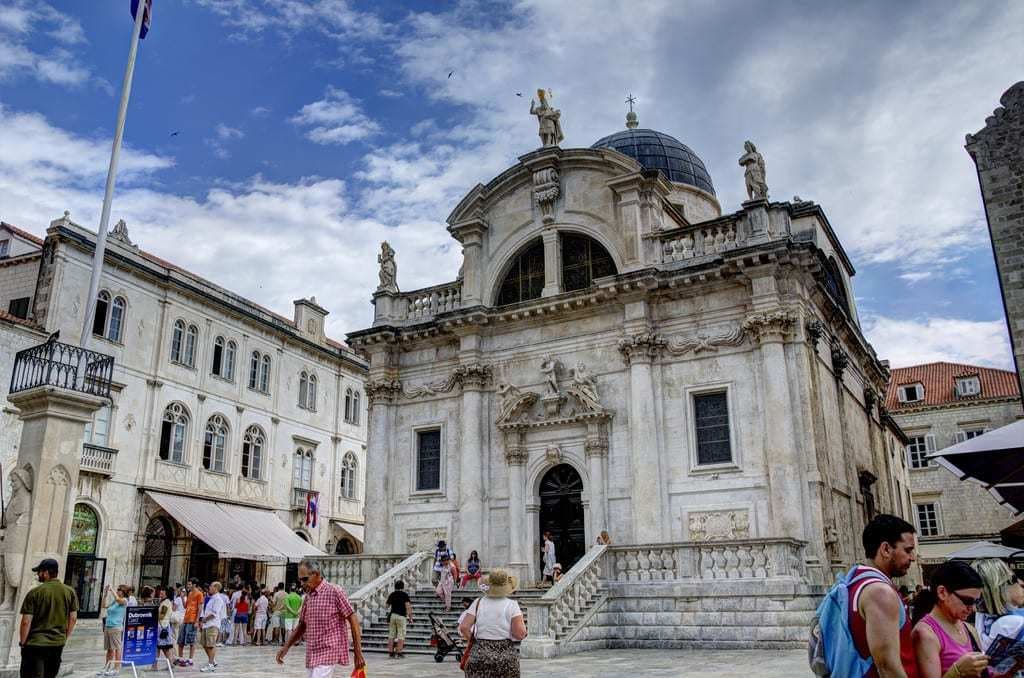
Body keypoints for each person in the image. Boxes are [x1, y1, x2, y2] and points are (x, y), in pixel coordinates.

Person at [849, 514, 921, 677]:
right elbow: (888, 667)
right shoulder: (880, 592)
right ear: (886, 549)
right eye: (908, 550)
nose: (913, 558)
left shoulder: (855, 581)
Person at [276, 558, 366, 677]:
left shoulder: (334, 591)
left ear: (316, 574)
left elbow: (352, 618)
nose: (302, 583)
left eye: (305, 579)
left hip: (329, 650)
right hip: (312, 652)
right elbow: (302, 625)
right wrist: (286, 647)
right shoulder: (308, 597)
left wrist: (357, 652)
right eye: (300, 580)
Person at [912, 561, 989, 678]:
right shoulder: (926, 634)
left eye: (977, 601)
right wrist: (957, 671)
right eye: (968, 601)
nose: (973, 608)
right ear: (942, 593)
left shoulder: (968, 628)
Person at [458, 569, 527, 677]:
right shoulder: (512, 605)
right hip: (505, 655)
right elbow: (520, 633)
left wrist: (474, 641)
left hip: (480, 653)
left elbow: (464, 627)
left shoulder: (478, 602)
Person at [19, 558, 78, 678]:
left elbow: (26, 621)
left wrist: (23, 643)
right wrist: (64, 637)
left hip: (36, 644)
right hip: (57, 644)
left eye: (39, 571)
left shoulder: (35, 593)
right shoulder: (70, 592)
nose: (37, 574)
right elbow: (73, 618)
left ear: (46, 573)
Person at [972, 557, 1024, 648]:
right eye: (1014, 579)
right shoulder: (1011, 624)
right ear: (1000, 588)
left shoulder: (983, 618)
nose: (1021, 582)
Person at [99, 583, 127, 676]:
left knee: (117, 648)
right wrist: (106, 594)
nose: (118, 591)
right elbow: (103, 606)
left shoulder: (124, 600)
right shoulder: (115, 601)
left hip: (116, 627)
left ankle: (116, 668)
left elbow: (119, 600)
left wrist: (112, 590)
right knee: (109, 649)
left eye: (120, 590)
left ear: (123, 592)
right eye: (117, 589)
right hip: (108, 626)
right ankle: (106, 666)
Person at [199, 582, 227, 673]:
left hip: (213, 624)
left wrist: (204, 619)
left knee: (211, 645)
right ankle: (212, 660)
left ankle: (210, 665)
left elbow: (214, 613)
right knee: (204, 644)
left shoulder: (218, 599)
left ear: (215, 588)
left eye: (211, 586)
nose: (209, 588)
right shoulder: (211, 598)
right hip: (207, 624)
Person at [176, 578, 204, 667]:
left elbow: (200, 608)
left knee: (192, 640)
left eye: (189, 584)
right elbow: (185, 606)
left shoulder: (199, 594)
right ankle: (180, 658)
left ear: (194, 585)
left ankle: (190, 659)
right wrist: (181, 597)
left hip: (192, 620)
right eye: (187, 584)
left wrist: (197, 621)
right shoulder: (190, 593)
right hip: (186, 619)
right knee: (180, 640)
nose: (188, 586)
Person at [385, 580, 412, 659]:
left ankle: (391, 652)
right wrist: (410, 617)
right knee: (401, 635)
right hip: (401, 616)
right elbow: (408, 606)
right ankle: (399, 652)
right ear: (402, 587)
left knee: (391, 635)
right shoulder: (404, 595)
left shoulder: (392, 594)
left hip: (393, 615)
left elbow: (386, 606)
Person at [156, 587, 177, 668]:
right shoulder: (166, 602)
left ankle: (155, 665)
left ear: (167, 594)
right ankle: (170, 664)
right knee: (164, 647)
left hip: (162, 627)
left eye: (162, 593)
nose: (160, 593)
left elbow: (161, 616)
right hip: (164, 626)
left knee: (160, 647)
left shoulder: (165, 603)